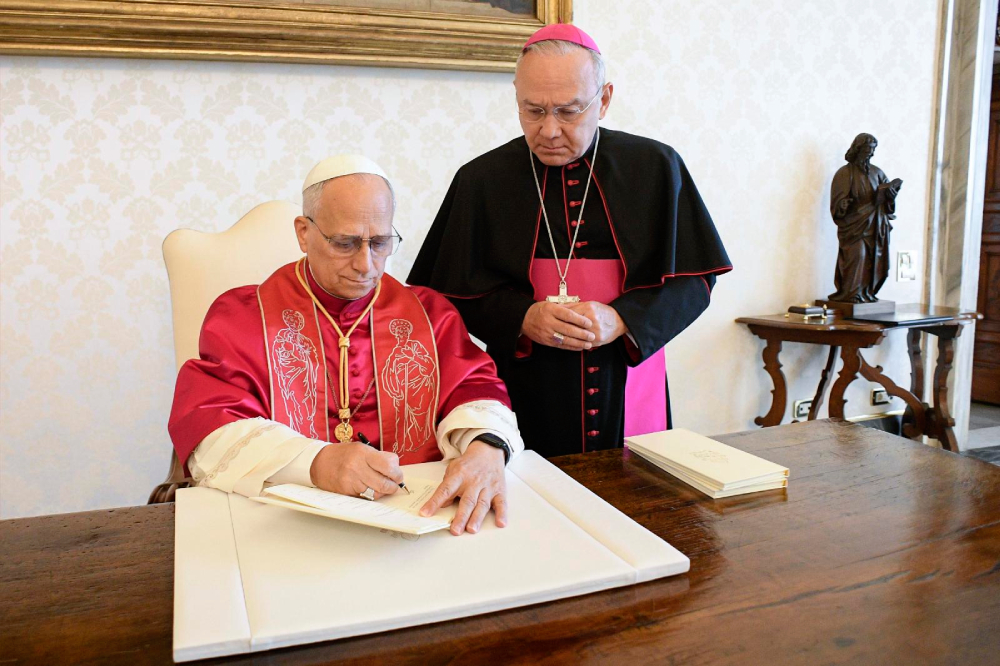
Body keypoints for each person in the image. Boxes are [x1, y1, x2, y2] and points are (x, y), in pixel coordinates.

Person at [407, 24, 731, 458]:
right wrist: (523, 317)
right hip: (524, 382)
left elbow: (695, 281)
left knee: (634, 506)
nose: (550, 130)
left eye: (569, 111)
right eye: (533, 111)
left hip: (628, 375)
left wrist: (622, 321)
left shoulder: (654, 167)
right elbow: (444, 295)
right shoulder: (482, 180)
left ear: (605, 100)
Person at [168, 155, 524, 535]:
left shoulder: (430, 313)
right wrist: (317, 462)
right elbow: (210, 427)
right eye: (345, 243)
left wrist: (485, 449)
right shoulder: (241, 316)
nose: (366, 265)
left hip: (414, 520)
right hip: (283, 527)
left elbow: (474, 387)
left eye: (381, 243)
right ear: (304, 233)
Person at [827, 133, 902, 303]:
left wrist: (890, 195)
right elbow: (837, 202)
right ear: (858, 148)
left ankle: (867, 292)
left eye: (873, 150)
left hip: (875, 225)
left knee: (873, 259)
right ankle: (851, 293)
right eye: (868, 149)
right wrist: (842, 205)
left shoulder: (877, 172)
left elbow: (888, 199)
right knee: (857, 256)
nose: (871, 153)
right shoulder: (845, 173)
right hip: (855, 225)